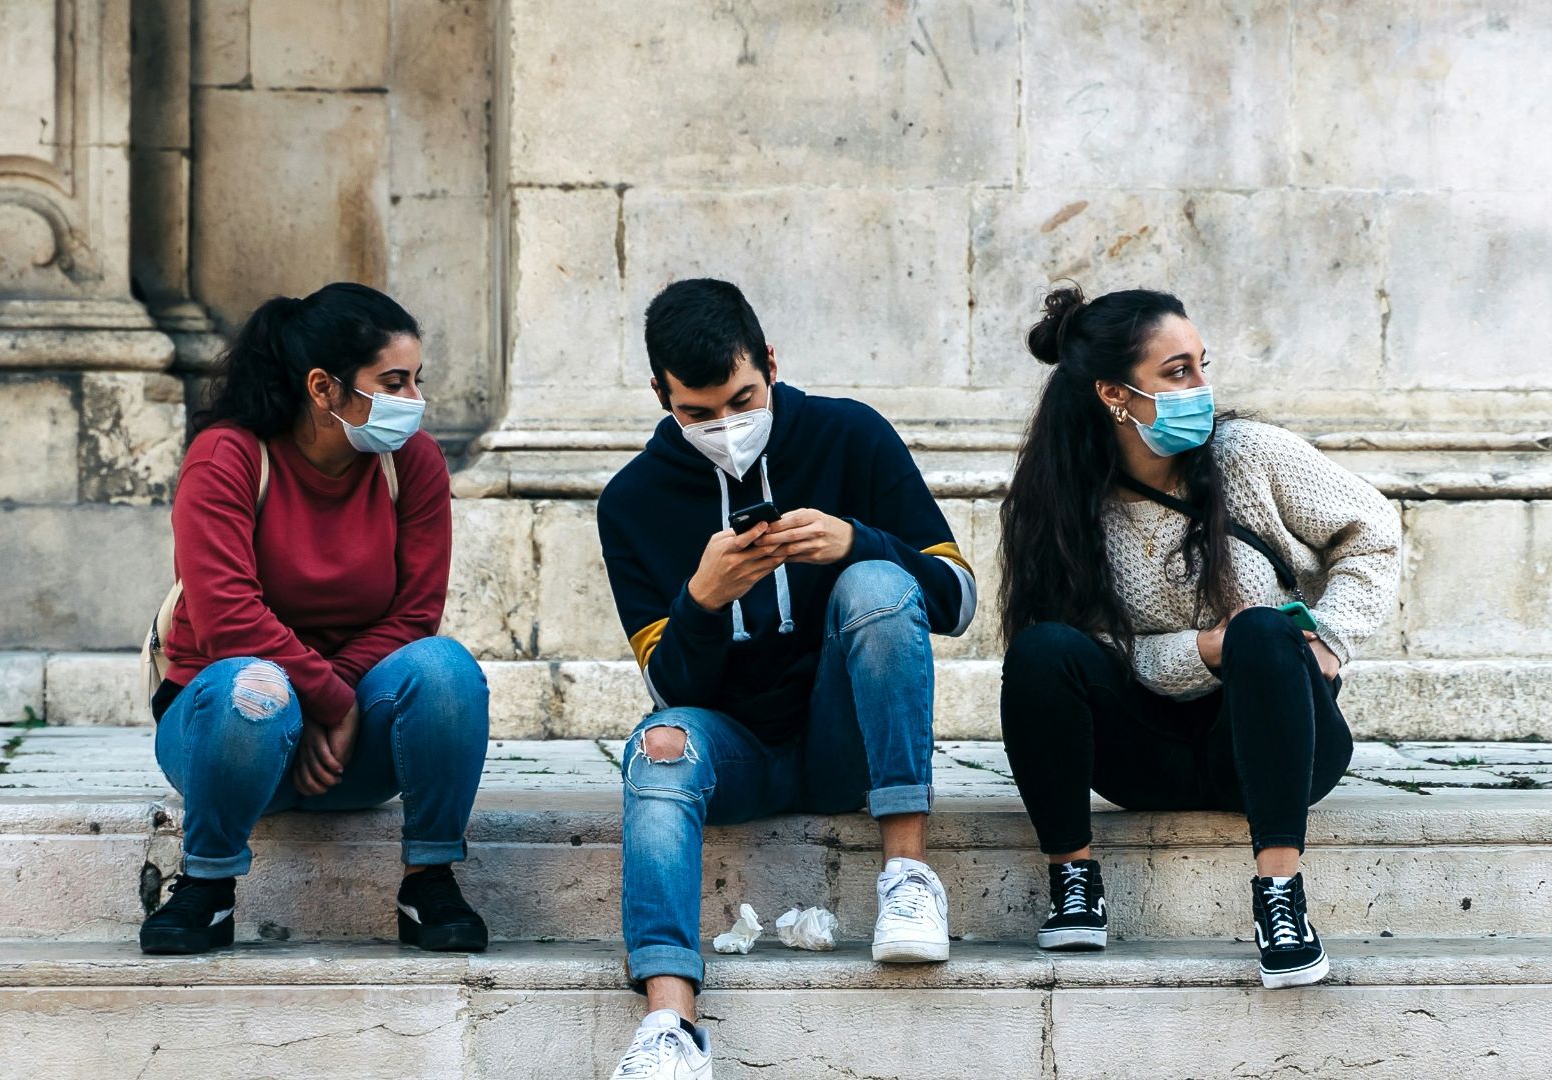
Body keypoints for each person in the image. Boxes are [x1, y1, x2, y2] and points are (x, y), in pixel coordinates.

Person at [595, 278, 978, 1078]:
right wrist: (702, 601)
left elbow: (957, 599)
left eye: (743, 399)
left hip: (848, 744)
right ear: (661, 396)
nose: (726, 426)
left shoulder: (850, 435)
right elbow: (672, 694)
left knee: (875, 585)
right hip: (736, 752)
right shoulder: (632, 500)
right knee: (658, 745)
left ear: (770, 363)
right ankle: (671, 1024)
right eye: (697, 412)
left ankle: (908, 876)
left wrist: (859, 541)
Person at [997, 284, 1400, 989]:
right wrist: (1200, 652)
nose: (1200, 389)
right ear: (1113, 394)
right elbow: (1090, 647)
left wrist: (1330, 642)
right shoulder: (1059, 505)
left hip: (1277, 742)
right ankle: (1074, 882)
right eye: (1177, 372)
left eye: (1201, 366)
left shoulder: (1249, 455)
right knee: (1040, 651)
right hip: (1142, 754)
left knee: (1262, 630)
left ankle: (1280, 899)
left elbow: (1374, 533)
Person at [141, 282, 491, 955]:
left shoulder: (412, 461)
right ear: (324, 388)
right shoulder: (228, 455)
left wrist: (339, 708)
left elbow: (416, 613)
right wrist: (327, 699)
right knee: (254, 686)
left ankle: (430, 882)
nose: (414, 400)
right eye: (393, 382)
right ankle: (206, 886)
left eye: (417, 380)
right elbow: (227, 619)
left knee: (446, 670)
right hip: (230, 740)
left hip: (349, 751)